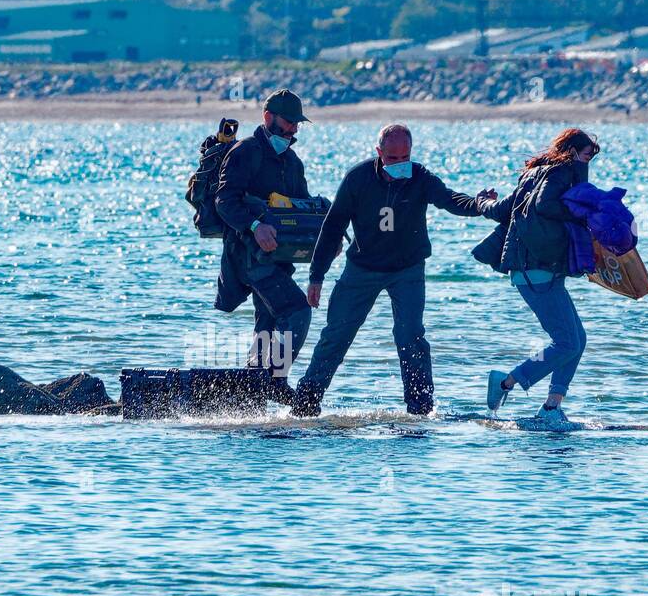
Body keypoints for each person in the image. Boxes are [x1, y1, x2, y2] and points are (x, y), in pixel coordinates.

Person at [291, 124, 497, 417]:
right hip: (362, 268)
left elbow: (450, 200)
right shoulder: (357, 178)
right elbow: (333, 226)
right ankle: (306, 403)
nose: (401, 164)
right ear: (379, 153)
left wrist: (479, 204)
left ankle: (420, 408)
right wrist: (316, 276)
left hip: (407, 269)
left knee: (410, 334)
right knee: (336, 334)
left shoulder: (420, 176)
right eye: (393, 158)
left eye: (405, 157)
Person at [479, 128, 599, 425]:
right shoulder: (561, 172)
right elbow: (546, 205)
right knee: (567, 343)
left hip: (538, 270)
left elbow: (502, 210)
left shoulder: (535, 175)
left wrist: (482, 202)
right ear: (572, 152)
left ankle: (551, 407)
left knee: (577, 340)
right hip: (536, 271)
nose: (588, 163)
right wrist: (582, 210)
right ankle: (505, 382)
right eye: (586, 156)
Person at [212, 89, 315, 404]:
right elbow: (224, 202)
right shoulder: (245, 152)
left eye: (297, 124)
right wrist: (255, 226)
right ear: (268, 117)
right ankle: (272, 382)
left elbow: (304, 207)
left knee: (268, 324)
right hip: (248, 258)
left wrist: (325, 239)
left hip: (278, 259)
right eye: (288, 122)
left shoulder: (292, 161)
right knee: (297, 311)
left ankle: (249, 393)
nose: (293, 130)